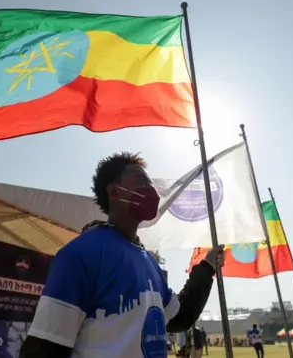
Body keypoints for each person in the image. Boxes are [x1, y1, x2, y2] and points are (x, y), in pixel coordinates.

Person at [20, 152, 225, 358]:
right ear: (115, 191)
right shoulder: (79, 254)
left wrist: (206, 268)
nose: (152, 190)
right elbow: (43, 350)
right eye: (142, 181)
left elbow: (180, 316)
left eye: (151, 183)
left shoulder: (149, 262)